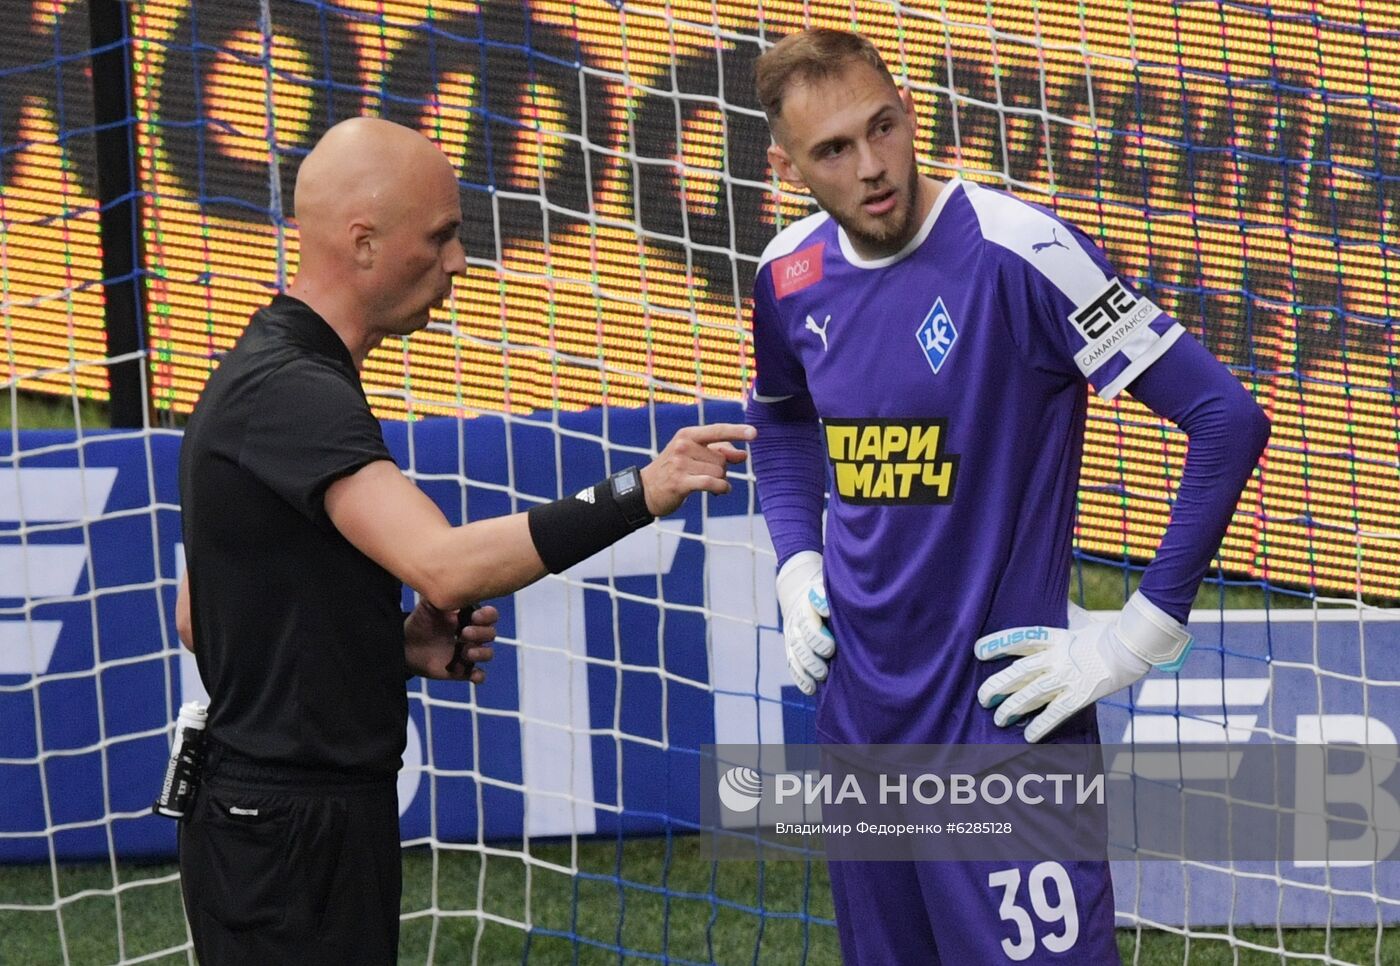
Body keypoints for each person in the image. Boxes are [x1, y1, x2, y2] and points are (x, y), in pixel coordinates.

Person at [175, 116, 755, 965]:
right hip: (290, 831)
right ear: (363, 243)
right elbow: (445, 568)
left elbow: (203, 616)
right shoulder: (295, 391)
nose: (459, 262)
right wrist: (647, 489)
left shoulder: (274, 370)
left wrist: (392, 644)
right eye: (441, 237)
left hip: (276, 820)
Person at [745, 29, 1269, 965]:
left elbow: (1225, 420)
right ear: (785, 166)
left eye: (884, 127)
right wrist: (795, 563)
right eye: (833, 150)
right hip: (861, 721)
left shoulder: (1023, 251)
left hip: (1006, 721)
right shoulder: (787, 275)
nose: (872, 166)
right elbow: (784, 427)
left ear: (910, 112)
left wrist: (1139, 636)